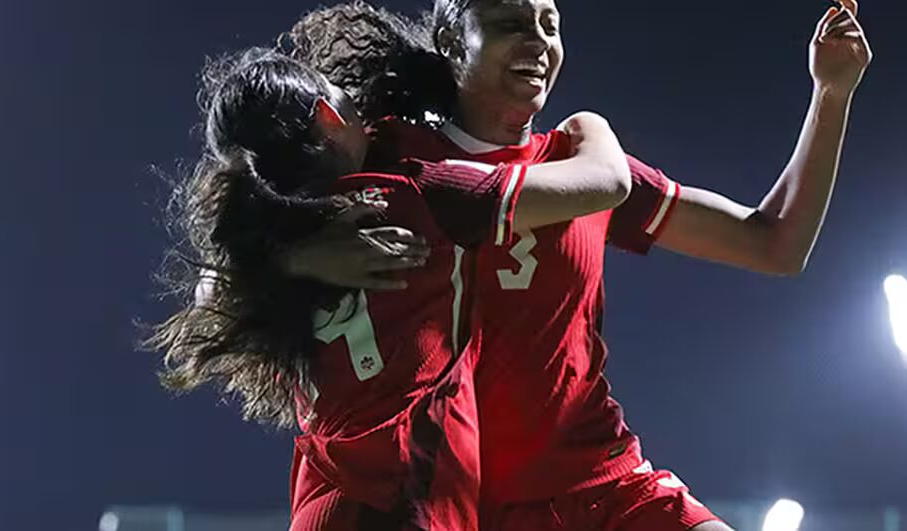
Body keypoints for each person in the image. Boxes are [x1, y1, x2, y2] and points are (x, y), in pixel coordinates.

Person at [287, 0, 873, 529]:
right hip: (452, 505)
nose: (537, 42)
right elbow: (221, 278)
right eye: (510, 23)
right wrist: (297, 253)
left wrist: (832, 94)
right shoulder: (385, 158)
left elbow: (774, 244)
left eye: (550, 25)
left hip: (601, 488)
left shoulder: (581, 168)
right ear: (449, 37)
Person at [147, 41, 635, 530]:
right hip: (405, 489)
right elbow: (605, 182)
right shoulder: (415, 194)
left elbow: (212, 288)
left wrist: (299, 258)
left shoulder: (265, 249)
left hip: (324, 496)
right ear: (327, 115)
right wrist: (591, 127)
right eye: (344, 95)